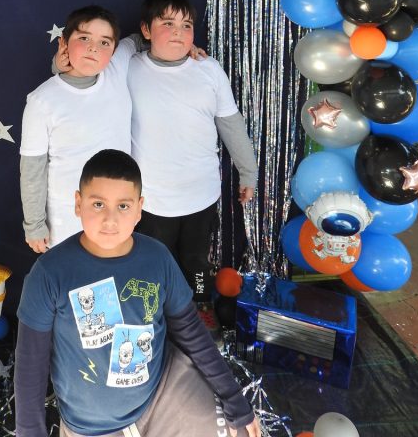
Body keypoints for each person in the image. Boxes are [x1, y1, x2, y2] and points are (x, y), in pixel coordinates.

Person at [14, 149, 261, 437]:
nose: (110, 220)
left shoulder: (157, 257)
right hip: (94, 426)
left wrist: (234, 398)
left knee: (240, 431)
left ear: (139, 208)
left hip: (161, 394)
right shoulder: (49, 272)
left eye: (123, 206)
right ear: (78, 204)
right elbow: (31, 364)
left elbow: (191, 332)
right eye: (98, 204)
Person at [128, 0, 259, 304]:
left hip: (201, 193)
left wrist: (248, 173)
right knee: (154, 265)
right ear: (146, 29)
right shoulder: (128, 68)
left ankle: (200, 310)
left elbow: (231, 124)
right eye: (168, 24)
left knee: (197, 263)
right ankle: (157, 318)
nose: (178, 32)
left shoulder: (208, 69)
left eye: (186, 26)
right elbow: (85, 71)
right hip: (152, 199)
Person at [20, 5, 134, 252]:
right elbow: (32, 170)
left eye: (104, 43)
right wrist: (34, 225)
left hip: (118, 215)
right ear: (63, 43)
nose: (94, 48)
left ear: (114, 50)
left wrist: (186, 50)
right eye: (84, 38)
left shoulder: (116, 68)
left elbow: (140, 39)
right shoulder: (42, 100)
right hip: (68, 217)